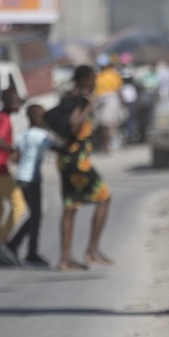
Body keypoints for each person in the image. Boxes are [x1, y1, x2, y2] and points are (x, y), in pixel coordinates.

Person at [56, 65, 114, 272]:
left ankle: (65, 259)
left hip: (65, 159)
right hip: (77, 161)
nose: (95, 82)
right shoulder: (80, 99)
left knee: (70, 207)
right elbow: (73, 125)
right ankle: (92, 250)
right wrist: (88, 107)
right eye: (92, 79)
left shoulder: (67, 96)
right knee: (104, 197)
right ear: (84, 79)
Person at [6, 104, 55, 267]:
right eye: (41, 115)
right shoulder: (41, 135)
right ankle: (27, 251)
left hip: (21, 177)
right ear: (35, 117)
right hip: (32, 179)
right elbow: (57, 147)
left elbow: (15, 156)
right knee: (36, 216)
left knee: (35, 216)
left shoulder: (23, 135)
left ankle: (15, 245)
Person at [0, 88, 26, 266]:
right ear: (6, 102)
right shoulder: (4, 120)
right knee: (19, 206)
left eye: (18, 101)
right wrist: (12, 151)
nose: (17, 104)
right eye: (13, 101)